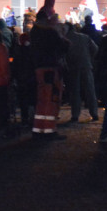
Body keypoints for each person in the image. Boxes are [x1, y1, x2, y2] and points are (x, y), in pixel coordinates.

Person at [28, 7, 69, 140]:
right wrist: (61, 33)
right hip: (51, 68)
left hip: (39, 68)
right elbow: (64, 46)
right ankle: (49, 130)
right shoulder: (50, 32)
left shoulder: (34, 32)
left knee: (42, 100)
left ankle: (38, 129)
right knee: (51, 100)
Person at [65, 21, 99, 123]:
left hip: (73, 66)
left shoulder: (65, 39)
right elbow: (95, 48)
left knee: (75, 91)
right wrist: (89, 58)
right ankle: (94, 113)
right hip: (86, 65)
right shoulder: (84, 37)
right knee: (90, 90)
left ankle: (75, 115)